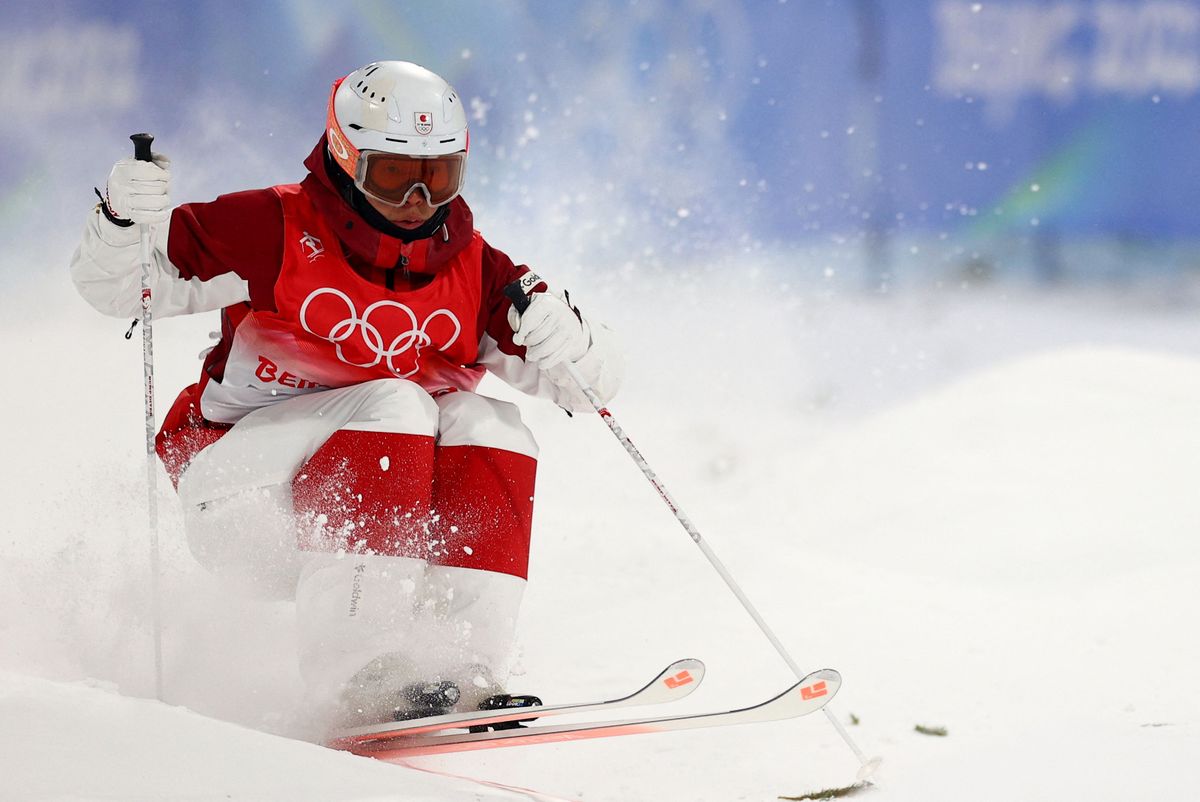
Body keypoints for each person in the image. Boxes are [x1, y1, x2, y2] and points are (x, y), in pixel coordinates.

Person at [69, 60, 622, 730]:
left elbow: (590, 393)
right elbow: (122, 290)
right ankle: (355, 671)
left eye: (438, 175)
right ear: (345, 154)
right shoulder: (271, 228)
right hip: (241, 501)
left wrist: (575, 340)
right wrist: (123, 223)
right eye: (393, 174)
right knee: (398, 402)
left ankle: (459, 665)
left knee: (491, 422)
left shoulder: (476, 270)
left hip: (367, 524)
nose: (418, 198)